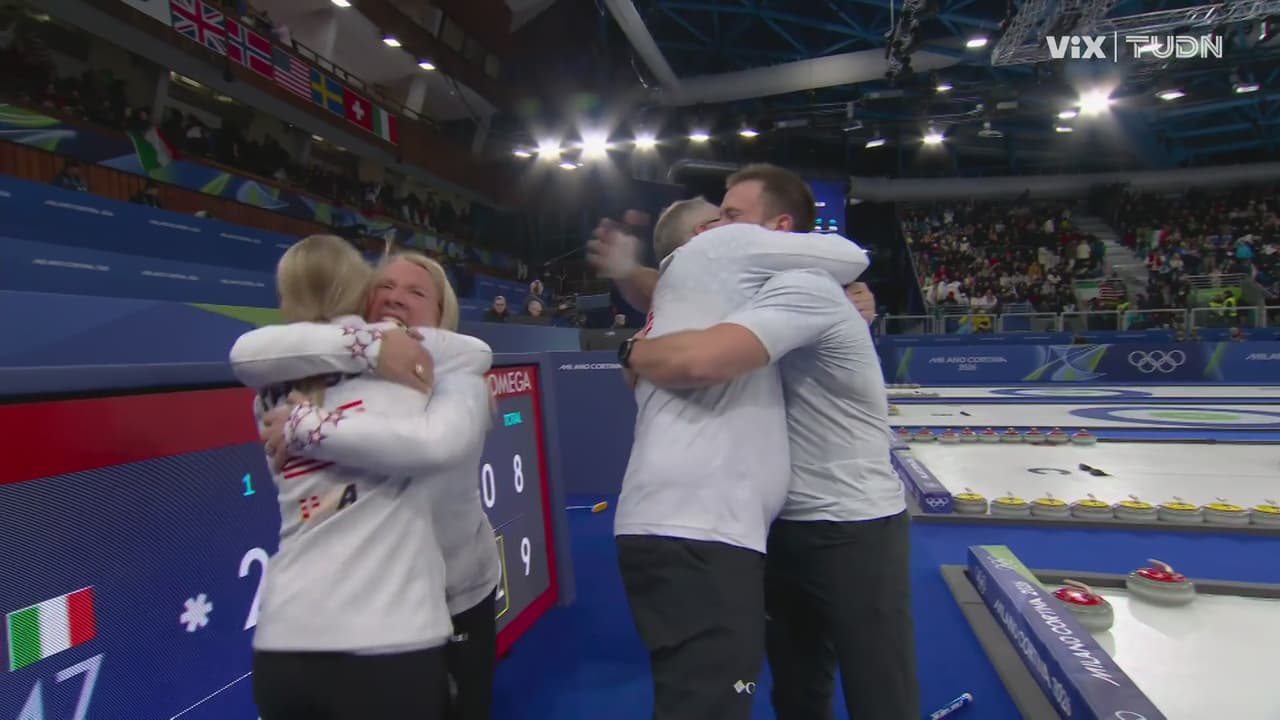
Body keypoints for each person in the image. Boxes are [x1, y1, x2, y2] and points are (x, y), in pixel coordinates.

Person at [595, 164, 917, 719]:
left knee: (880, 692)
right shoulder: (748, 292)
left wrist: (632, 351)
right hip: (780, 525)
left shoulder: (806, 287)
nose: (715, 228)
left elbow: (700, 358)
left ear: (779, 229)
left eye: (731, 216)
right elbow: (676, 287)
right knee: (798, 687)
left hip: (851, 522)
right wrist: (633, 283)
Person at [231, 247, 502, 720]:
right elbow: (246, 352)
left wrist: (306, 427)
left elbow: (436, 433)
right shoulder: (326, 372)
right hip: (374, 620)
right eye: (385, 286)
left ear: (442, 313)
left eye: (416, 292)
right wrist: (370, 345)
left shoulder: (459, 378)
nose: (396, 298)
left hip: (456, 591)